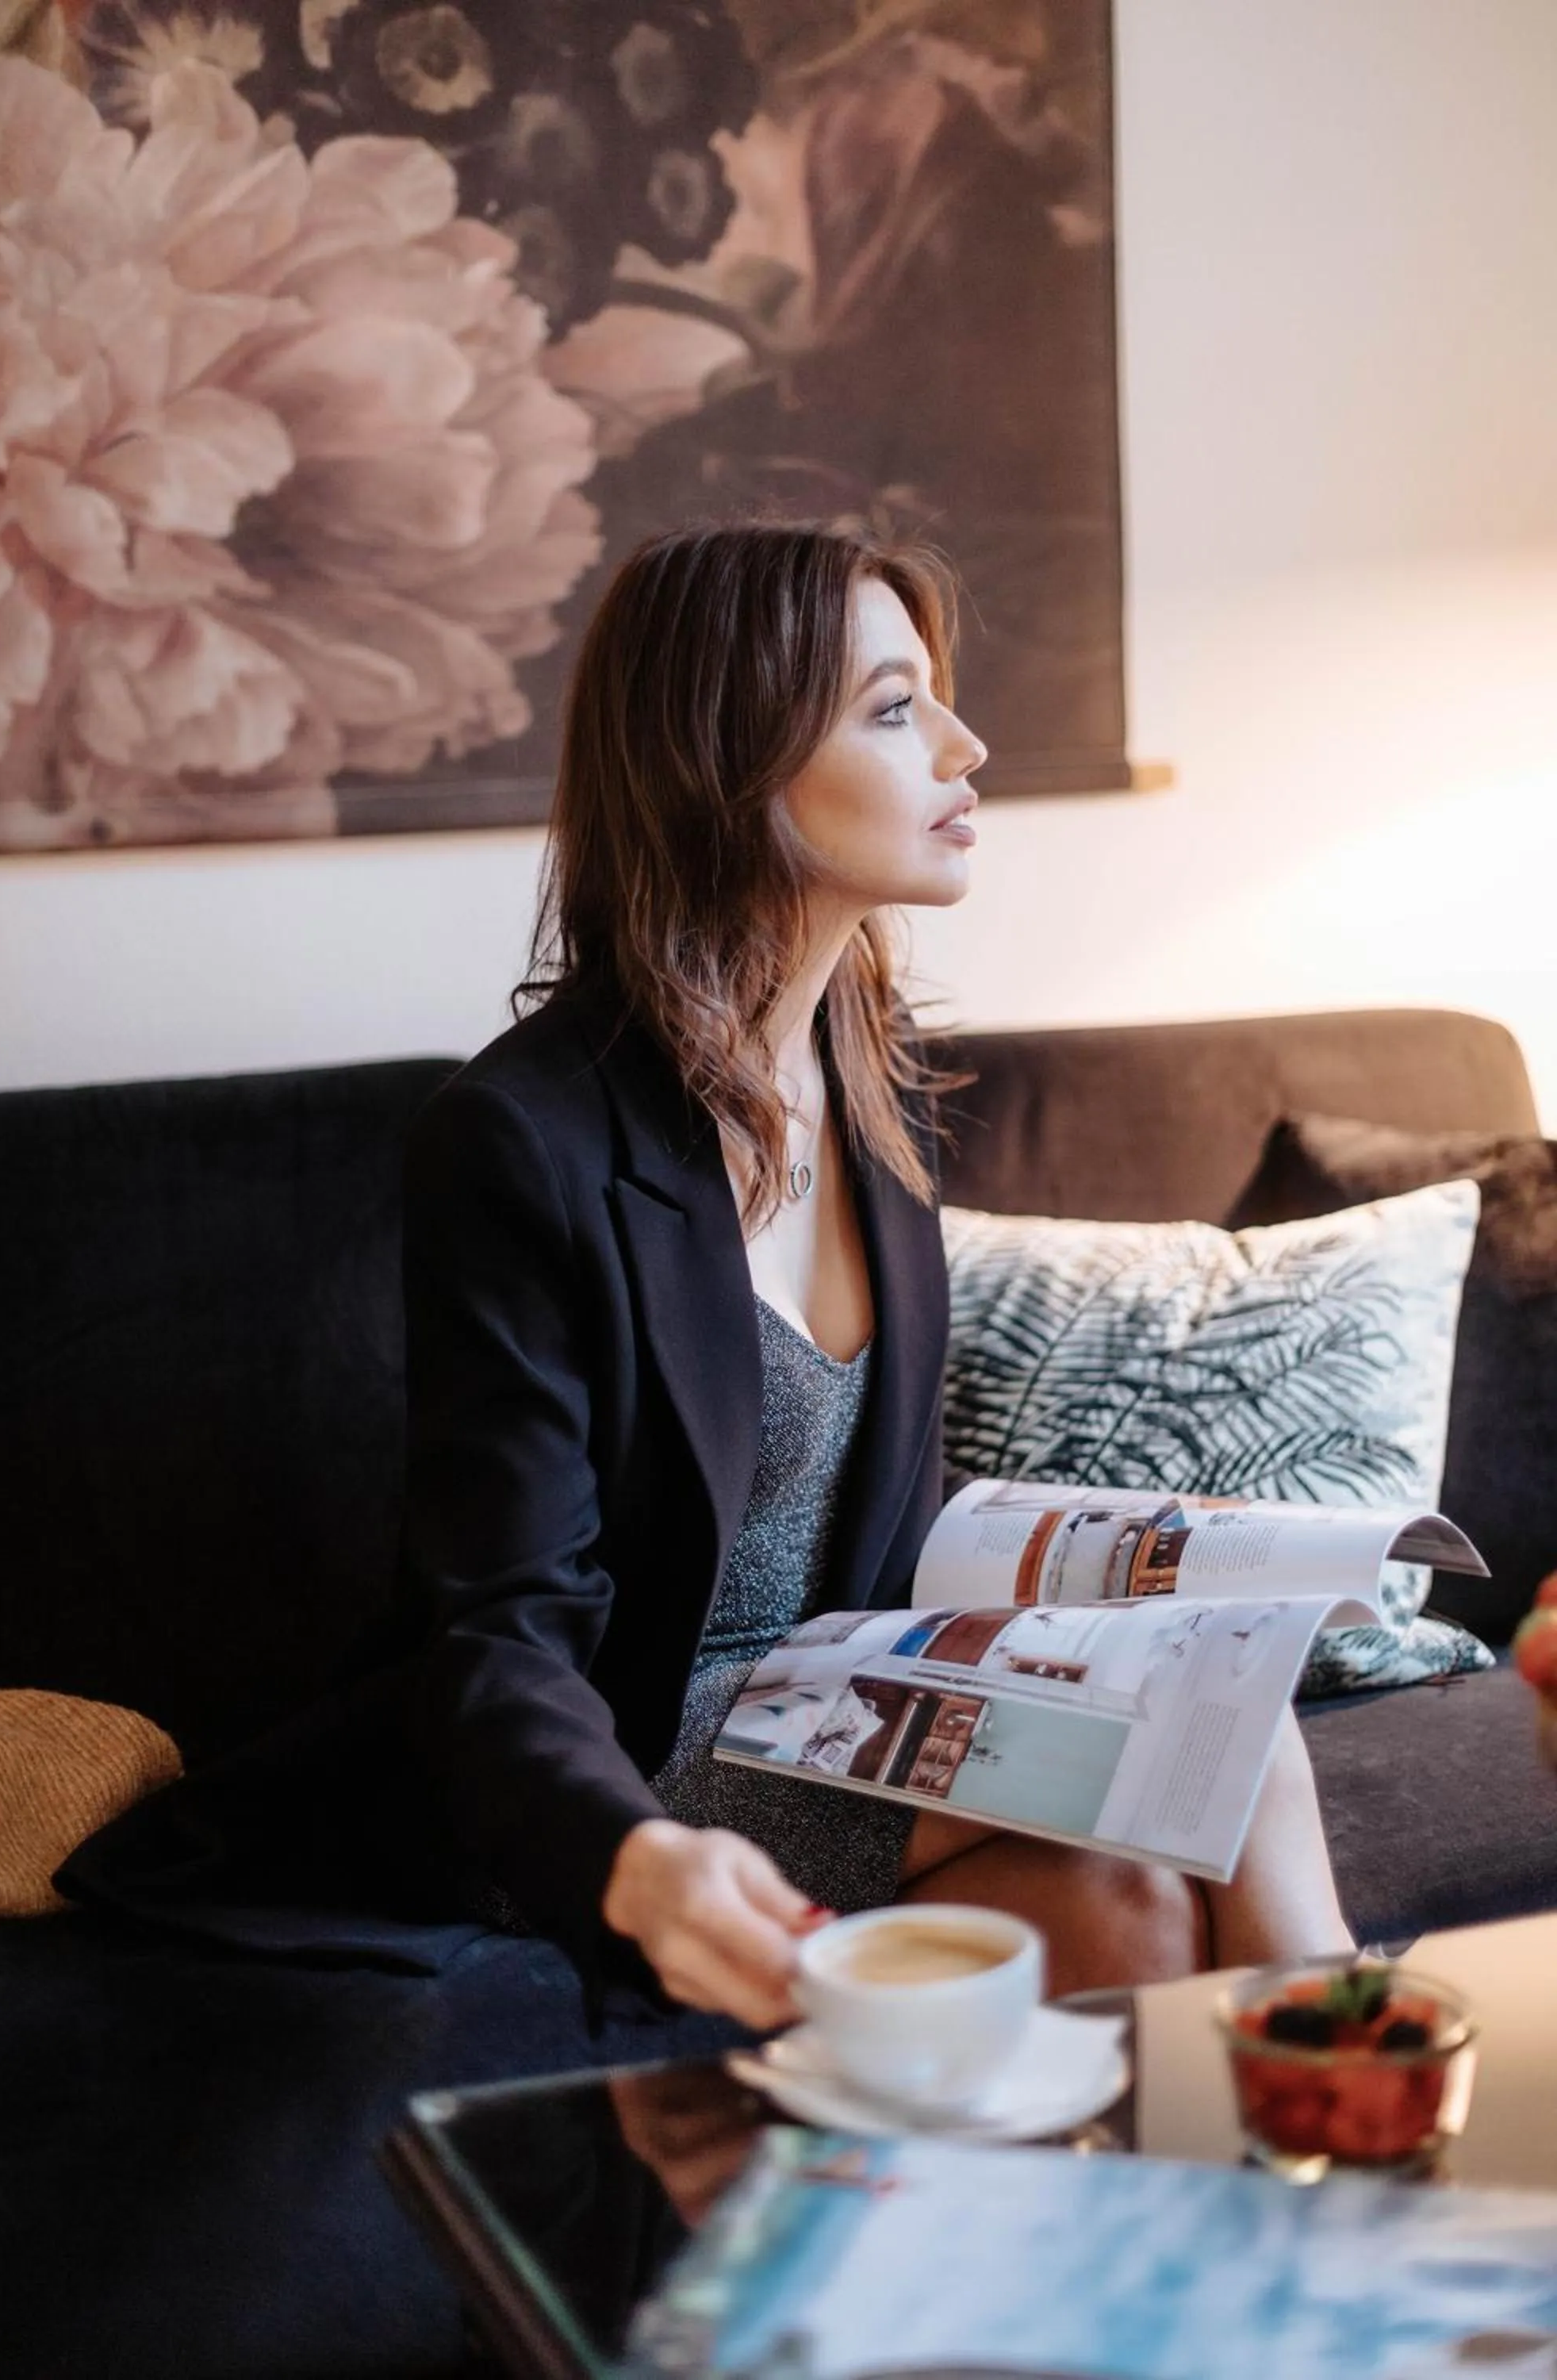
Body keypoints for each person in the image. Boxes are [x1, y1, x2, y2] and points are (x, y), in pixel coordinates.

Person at [400, 519, 1355, 2031]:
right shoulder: (519, 1144)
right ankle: (1367, 2113)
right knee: (1221, 1740)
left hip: (834, 1704)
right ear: (732, 757)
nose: (968, 746)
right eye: (896, 709)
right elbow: (501, 1639)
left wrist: (1149, 1557)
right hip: (624, 1771)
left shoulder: (865, 1091)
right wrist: (635, 1858)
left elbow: (888, 1517)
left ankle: (1221, 2207)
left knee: (1125, 1883)